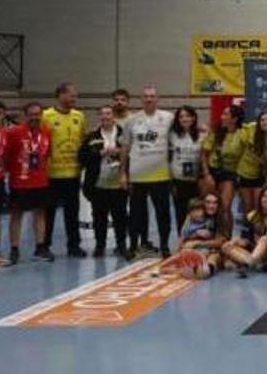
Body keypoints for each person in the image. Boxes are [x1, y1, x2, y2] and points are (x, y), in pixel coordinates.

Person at [122, 85, 176, 257]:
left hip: (161, 175)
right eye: (146, 96)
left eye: (152, 96)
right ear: (141, 99)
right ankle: (133, 246)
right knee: (136, 214)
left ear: (157, 98)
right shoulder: (131, 120)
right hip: (138, 176)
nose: (149, 99)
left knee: (163, 213)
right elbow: (124, 147)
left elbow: (181, 135)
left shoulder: (168, 118)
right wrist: (123, 172)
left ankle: (165, 246)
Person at [42, 83, 86, 258]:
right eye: (71, 95)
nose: (74, 99)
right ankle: (44, 245)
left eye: (75, 96)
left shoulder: (79, 116)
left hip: (72, 173)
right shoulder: (46, 116)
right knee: (49, 212)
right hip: (51, 174)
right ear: (60, 95)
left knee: (72, 212)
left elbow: (82, 141)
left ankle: (74, 245)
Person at [4, 103, 51, 265]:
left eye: (38, 114)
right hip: (19, 182)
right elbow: (6, 155)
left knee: (40, 214)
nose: (35, 117)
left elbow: (47, 153)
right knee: (16, 215)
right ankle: (14, 249)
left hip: (40, 181)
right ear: (25, 116)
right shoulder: (14, 133)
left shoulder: (46, 131)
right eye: (31, 114)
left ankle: (39, 248)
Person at [80, 105, 129, 260]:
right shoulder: (91, 137)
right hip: (98, 185)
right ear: (99, 117)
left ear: (113, 116)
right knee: (99, 218)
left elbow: (134, 154)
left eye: (108, 114)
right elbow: (82, 158)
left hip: (119, 184)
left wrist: (120, 152)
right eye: (102, 114)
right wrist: (99, 153)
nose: (105, 117)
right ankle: (99, 246)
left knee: (120, 217)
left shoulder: (124, 134)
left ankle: (121, 246)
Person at [235, 109, 267, 242]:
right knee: (247, 206)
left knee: (258, 207)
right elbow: (238, 146)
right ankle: (246, 236)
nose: (265, 122)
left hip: (260, 175)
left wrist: (266, 184)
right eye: (262, 120)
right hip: (243, 173)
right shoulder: (250, 129)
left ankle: (259, 237)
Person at [222, 188, 267, 278]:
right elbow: (246, 240)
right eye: (264, 196)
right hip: (255, 251)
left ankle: (249, 263)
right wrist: (234, 242)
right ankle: (254, 263)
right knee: (226, 247)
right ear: (260, 199)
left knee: (264, 240)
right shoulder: (251, 216)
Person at [202, 105, 243, 230]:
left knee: (225, 207)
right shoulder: (216, 131)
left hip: (229, 173)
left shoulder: (242, 134)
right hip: (211, 170)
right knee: (208, 205)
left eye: (226, 114)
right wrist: (207, 174)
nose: (222, 117)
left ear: (234, 119)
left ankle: (226, 238)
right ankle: (207, 234)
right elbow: (204, 154)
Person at [168, 195, 226, 279]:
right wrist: (194, 235)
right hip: (193, 248)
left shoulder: (214, 220)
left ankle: (202, 268)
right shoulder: (189, 221)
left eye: (214, 203)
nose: (211, 206)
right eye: (208, 203)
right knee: (184, 253)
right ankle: (189, 266)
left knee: (212, 254)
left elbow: (220, 242)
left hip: (208, 249)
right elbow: (183, 237)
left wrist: (197, 242)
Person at [168, 106, 204, 232]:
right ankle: (182, 242)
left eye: (188, 116)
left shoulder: (202, 134)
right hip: (178, 180)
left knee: (197, 212)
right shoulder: (172, 135)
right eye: (181, 116)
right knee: (180, 213)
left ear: (193, 118)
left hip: (196, 181)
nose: (185, 119)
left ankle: (196, 241)